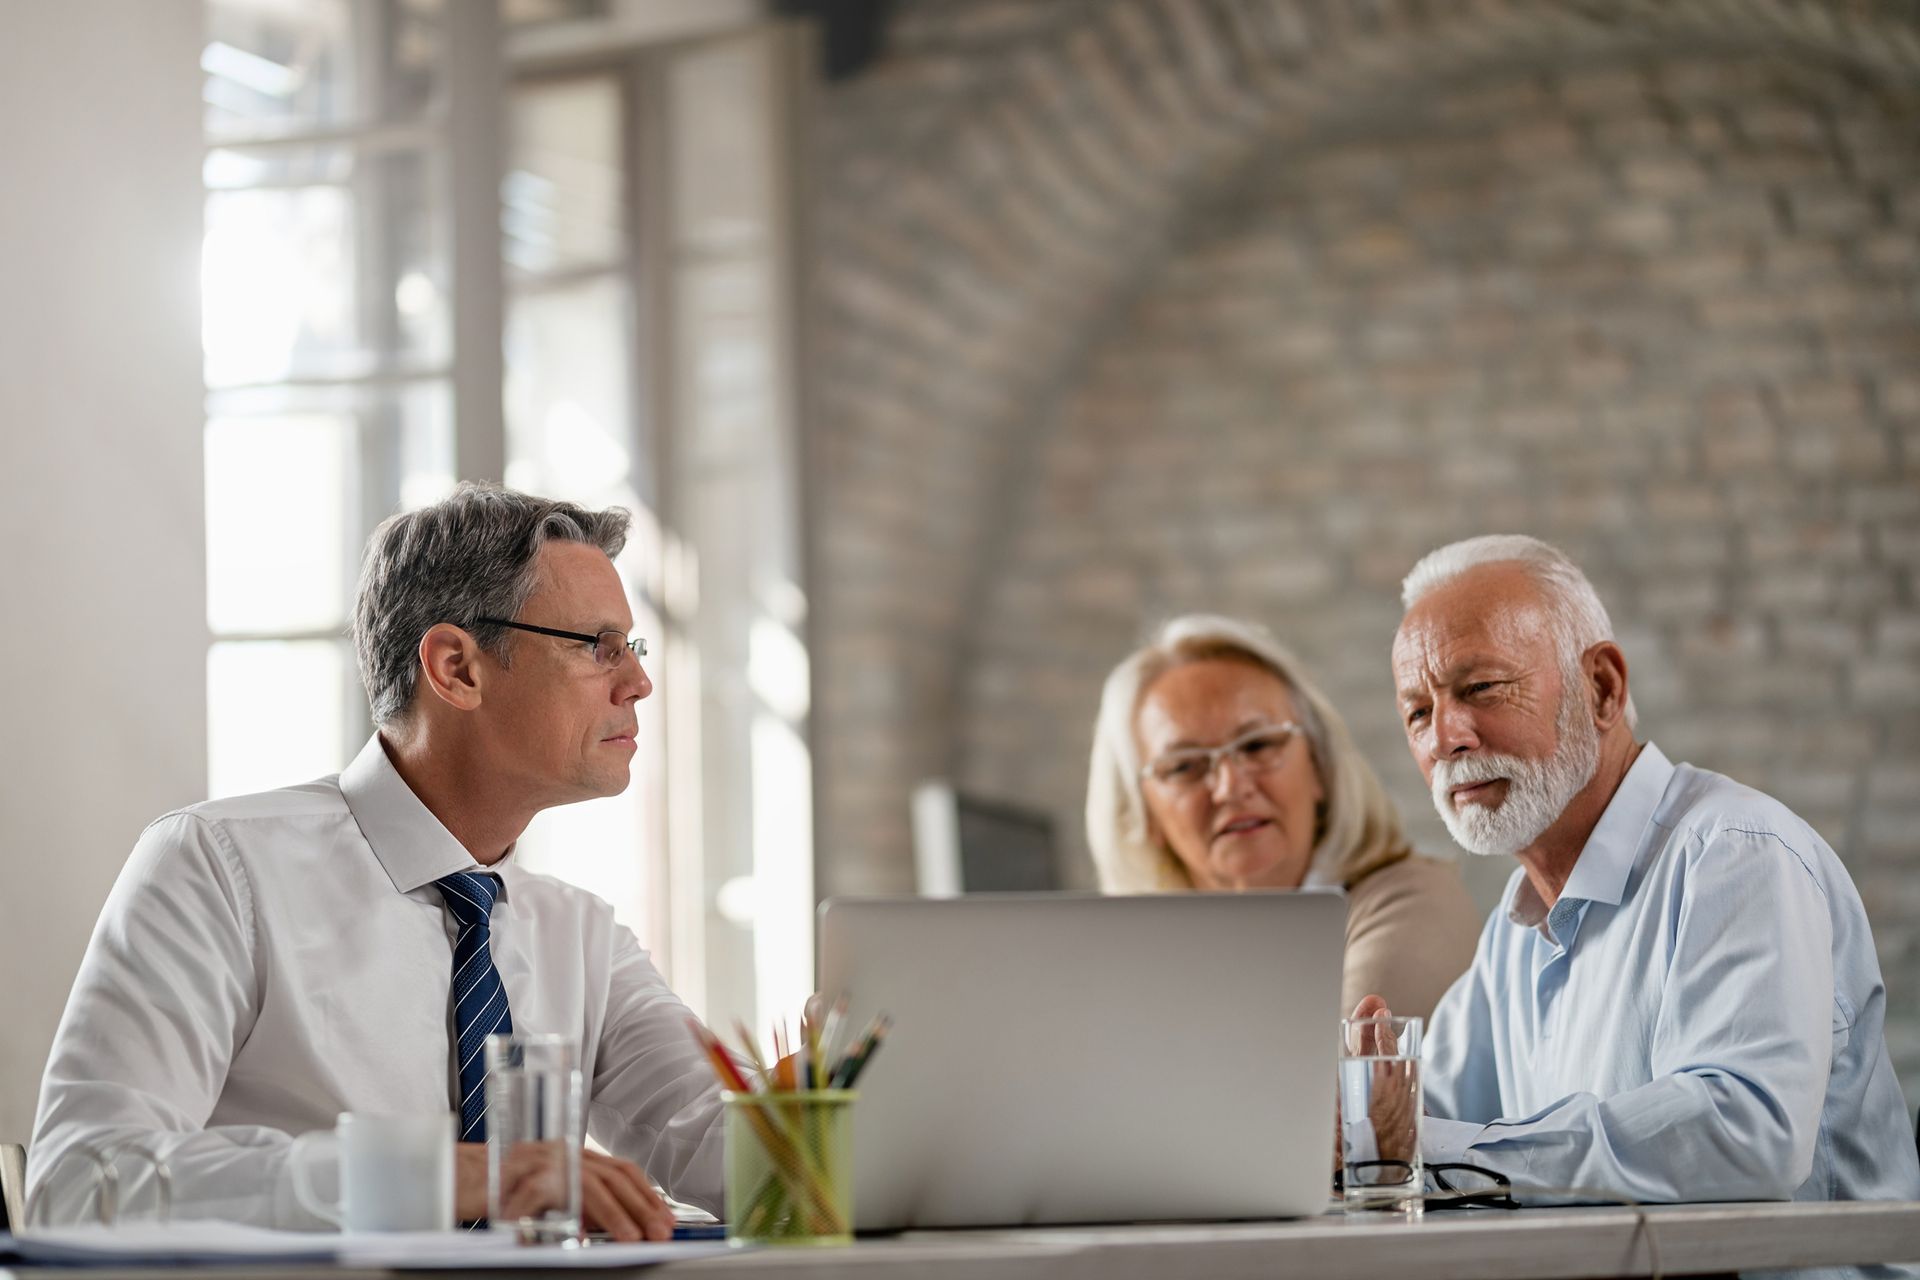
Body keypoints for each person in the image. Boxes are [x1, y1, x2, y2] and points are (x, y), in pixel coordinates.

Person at [30, 484, 724, 1238]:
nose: (638, 683)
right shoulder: (218, 869)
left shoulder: (582, 936)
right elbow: (79, 1185)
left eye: (634, 646)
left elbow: (737, 1150)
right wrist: (435, 1178)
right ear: (457, 668)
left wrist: (834, 1114)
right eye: (598, 647)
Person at [1358, 533, 1920, 1228]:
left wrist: (1419, 1146)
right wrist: (1356, 1120)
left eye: (1481, 689)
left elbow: (1746, 1135)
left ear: (1602, 688)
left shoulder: (1735, 855)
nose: (1447, 736)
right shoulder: (1516, 931)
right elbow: (1423, 1128)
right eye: (1418, 712)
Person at [1087, 614, 1480, 1020]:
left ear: (1318, 766)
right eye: (1184, 767)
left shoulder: (1413, 908)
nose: (1231, 787)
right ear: (1143, 813)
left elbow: (1327, 1084)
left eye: (1257, 745)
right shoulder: (1138, 962)